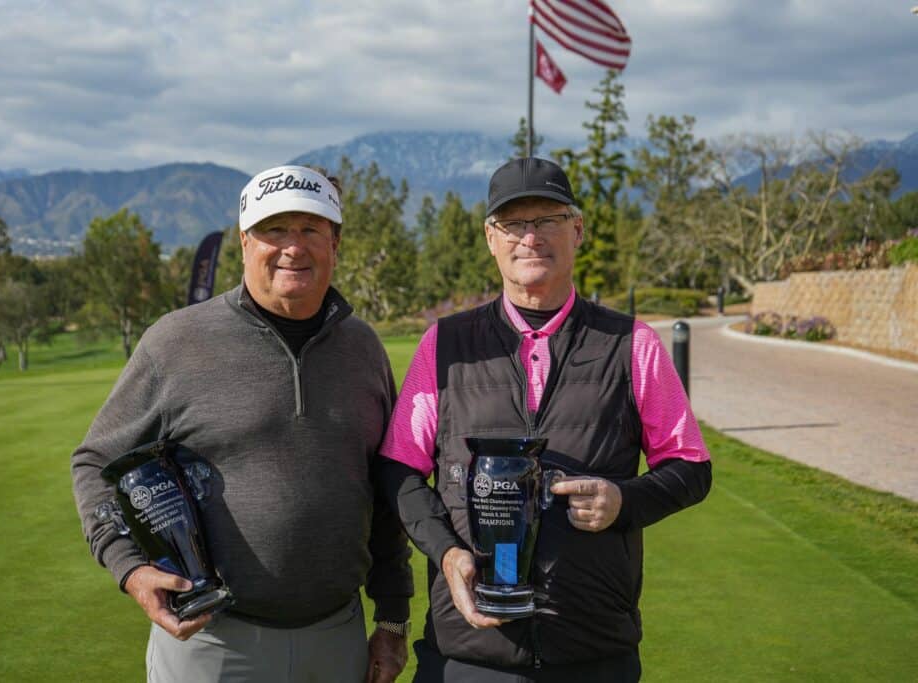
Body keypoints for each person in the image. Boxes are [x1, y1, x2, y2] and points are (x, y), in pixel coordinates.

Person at [72, 165, 412, 683]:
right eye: (274, 230)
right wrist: (130, 568)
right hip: (212, 643)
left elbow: (387, 495)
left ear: (335, 243)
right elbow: (96, 461)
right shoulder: (177, 341)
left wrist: (391, 617)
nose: (292, 247)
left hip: (337, 640)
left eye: (310, 229)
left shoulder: (363, 348)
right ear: (244, 241)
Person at [377, 157, 712, 682]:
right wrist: (445, 554)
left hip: (592, 651)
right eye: (513, 224)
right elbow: (399, 470)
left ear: (577, 231)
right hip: (468, 653)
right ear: (491, 238)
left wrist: (625, 501)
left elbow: (691, 466)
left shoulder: (631, 344)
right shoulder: (443, 345)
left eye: (548, 220)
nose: (530, 237)